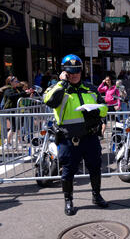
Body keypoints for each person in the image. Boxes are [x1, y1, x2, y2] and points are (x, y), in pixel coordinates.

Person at [44, 54, 108, 216]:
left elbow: (104, 107)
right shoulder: (58, 89)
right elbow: (50, 101)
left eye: (77, 72)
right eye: (70, 72)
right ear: (64, 72)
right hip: (69, 138)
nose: (74, 75)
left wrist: (96, 111)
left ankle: (96, 195)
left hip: (90, 136)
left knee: (95, 168)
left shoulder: (90, 88)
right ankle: (68, 200)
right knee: (68, 171)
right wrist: (62, 83)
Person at [3, 76, 34, 148]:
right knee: (13, 128)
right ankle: (7, 143)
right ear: (10, 82)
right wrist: (24, 93)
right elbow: (13, 96)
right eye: (15, 81)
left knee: (18, 127)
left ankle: (20, 142)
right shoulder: (8, 90)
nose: (17, 82)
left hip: (17, 111)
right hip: (11, 111)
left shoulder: (16, 89)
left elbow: (21, 95)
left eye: (17, 81)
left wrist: (28, 92)